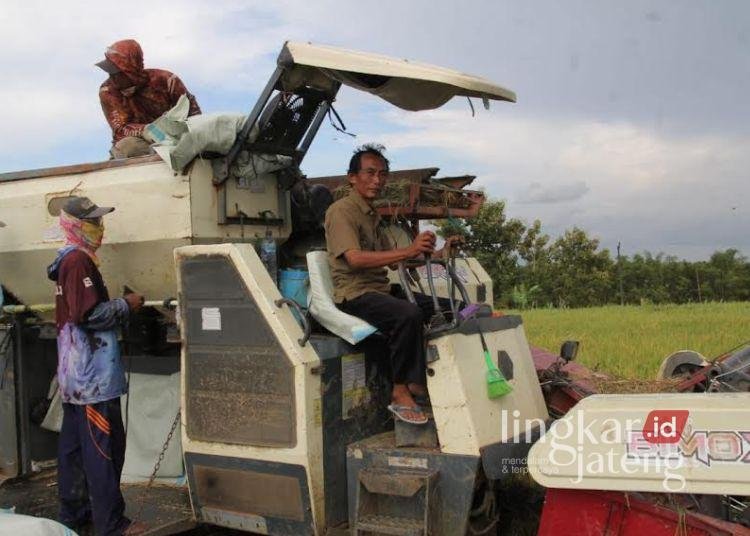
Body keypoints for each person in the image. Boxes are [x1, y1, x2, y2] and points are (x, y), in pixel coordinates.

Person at [324, 145, 459, 425]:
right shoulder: (341, 211)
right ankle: (400, 390)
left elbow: (396, 262)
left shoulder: (372, 214)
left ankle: (423, 381)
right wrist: (409, 250)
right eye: (370, 173)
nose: (377, 180)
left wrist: (438, 254)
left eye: (382, 174)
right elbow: (355, 259)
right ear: (352, 177)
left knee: (452, 309)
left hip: (380, 290)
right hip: (355, 293)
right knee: (407, 314)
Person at [47, 196, 144, 535]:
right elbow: (88, 315)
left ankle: (74, 515)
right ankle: (111, 524)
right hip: (92, 379)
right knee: (103, 452)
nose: (99, 228)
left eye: (99, 221)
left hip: (76, 376)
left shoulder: (69, 260)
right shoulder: (77, 262)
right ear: (75, 225)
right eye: (93, 221)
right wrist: (127, 305)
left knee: (73, 451)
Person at [97, 39, 201, 159]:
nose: (112, 77)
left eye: (117, 72)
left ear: (131, 70)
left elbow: (194, 114)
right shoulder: (108, 91)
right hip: (140, 144)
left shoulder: (167, 81)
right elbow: (120, 129)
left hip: (177, 140)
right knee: (126, 146)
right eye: (110, 73)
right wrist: (147, 130)